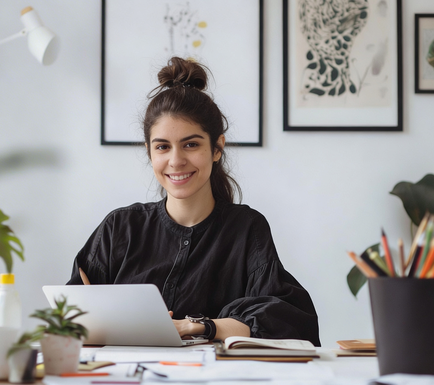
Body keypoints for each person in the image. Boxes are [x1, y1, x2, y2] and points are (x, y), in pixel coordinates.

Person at [67, 57, 320, 346]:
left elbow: (287, 322)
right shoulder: (119, 227)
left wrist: (196, 326)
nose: (176, 161)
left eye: (191, 144)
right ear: (150, 152)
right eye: (162, 147)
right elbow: (71, 319)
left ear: (217, 148)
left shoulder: (247, 228)